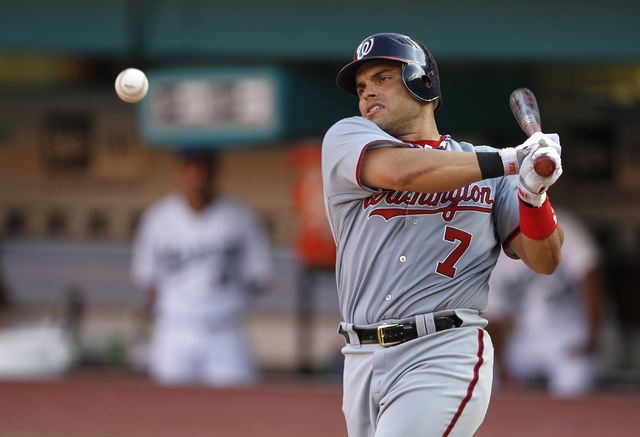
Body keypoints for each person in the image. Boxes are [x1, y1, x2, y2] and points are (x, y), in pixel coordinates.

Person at [321, 33, 564, 437]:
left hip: (443, 349)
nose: (367, 95)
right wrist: (513, 158)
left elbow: (546, 259)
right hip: (360, 355)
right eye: (362, 88)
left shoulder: (490, 174)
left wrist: (533, 192)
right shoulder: (347, 138)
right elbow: (405, 173)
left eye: (382, 78)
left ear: (422, 82)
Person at [130, 149, 273, 386]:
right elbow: (147, 278)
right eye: (189, 168)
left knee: (237, 408)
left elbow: (259, 276)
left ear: (215, 171)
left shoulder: (241, 216)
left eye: (202, 168)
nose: (196, 176)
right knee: (168, 410)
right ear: (178, 172)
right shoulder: (157, 218)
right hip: (175, 329)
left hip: (225, 328)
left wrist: (226, 297)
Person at [486, 208, 603, 397]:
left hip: (567, 333)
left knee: (575, 374)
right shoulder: (491, 246)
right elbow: (494, 317)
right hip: (524, 339)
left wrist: (593, 336)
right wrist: (503, 367)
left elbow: (590, 274)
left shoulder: (559, 223)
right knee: (488, 372)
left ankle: (574, 426)